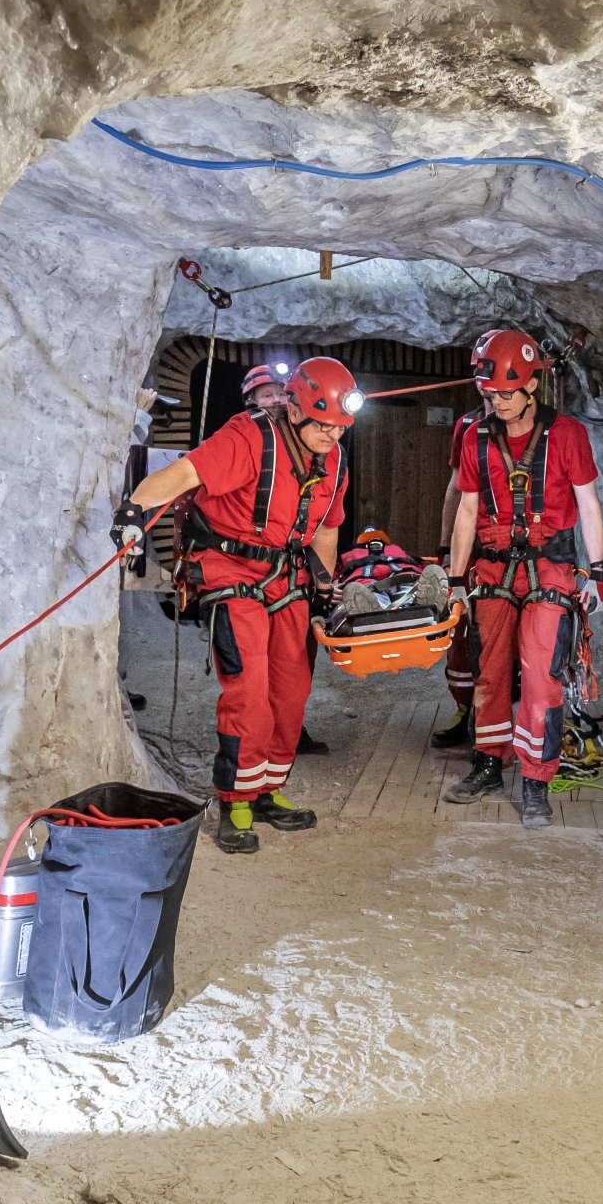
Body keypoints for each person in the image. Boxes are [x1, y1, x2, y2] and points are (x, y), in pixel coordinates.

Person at [113, 357, 362, 854]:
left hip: (287, 575)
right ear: (294, 410)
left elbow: (329, 527)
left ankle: (267, 790)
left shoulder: (332, 461)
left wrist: (323, 587)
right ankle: (235, 801)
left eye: (340, 428)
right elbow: (185, 473)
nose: (332, 436)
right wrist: (134, 511)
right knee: (247, 688)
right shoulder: (249, 439)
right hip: (231, 571)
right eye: (323, 426)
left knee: (291, 689)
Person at [445, 328, 603, 830]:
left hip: (550, 569)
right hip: (492, 570)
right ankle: (490, 762)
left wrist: (598, 572)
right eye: (488, 392)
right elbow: (467, 510)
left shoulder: (567, 434)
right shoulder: (473, 436)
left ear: (531, 386)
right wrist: (454, 578)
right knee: (490, 673)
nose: (495, 401)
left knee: (542, 679)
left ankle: (536, 780)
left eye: (505, 392)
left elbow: (587, 505)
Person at [241, 362, 329, 756]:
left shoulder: (309, 447)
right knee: (251, 670)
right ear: (251, 402)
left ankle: (290, 732)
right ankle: (253, 749)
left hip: (293, 568)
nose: (275, 401)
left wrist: (323, 580)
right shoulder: (246, 441)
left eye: (281, 393)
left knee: (293, 662)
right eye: (266, 395)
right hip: (247, 568)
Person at [432, 395, 489, 747]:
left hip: (512, 545)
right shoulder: (468, 425)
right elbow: (456, 486)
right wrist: (445, 548)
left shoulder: (537, 426)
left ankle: (500, 716)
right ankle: (465, 710)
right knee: (461, 628)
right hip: (470, 543)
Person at [334, 528, 450, 622]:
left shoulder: (348, 555)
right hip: (393, 577)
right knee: (367, 592)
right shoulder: (401, 551)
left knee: (372, 594)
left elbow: (334, 574)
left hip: (381, 578)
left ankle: (377, 615)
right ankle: (417, 608)